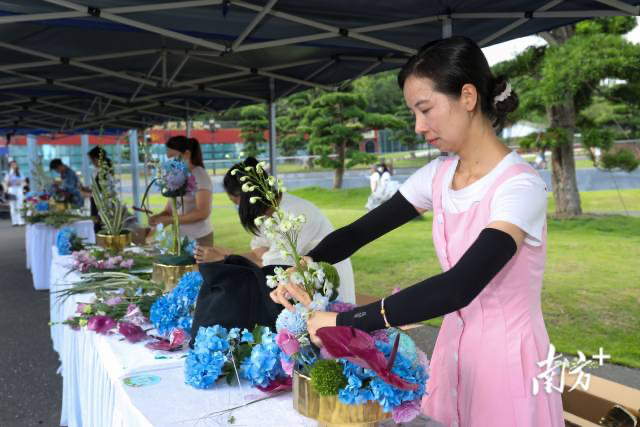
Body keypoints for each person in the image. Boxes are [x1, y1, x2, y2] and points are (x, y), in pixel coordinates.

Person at [270, 37, 563, 427]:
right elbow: (359, 232)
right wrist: (306, 263)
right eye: (413, 113)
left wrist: (346, 323)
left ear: (468, 96)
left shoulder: (519, 186)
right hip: (454, 350)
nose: (418, 126)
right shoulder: (440, 175)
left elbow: (459, 286)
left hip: (509, 359)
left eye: (425, 109)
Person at [195, 157, 356, 304]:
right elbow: (258, 253)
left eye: (235, 202)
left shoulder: (294, 214)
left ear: (244, 197)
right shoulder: (266, 213)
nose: (237, 207)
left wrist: (224, 258)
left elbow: (272, 267)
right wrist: (225, 257)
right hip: (303, 285)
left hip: (327, 290)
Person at [149, 136, 213, 246]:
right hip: (181, 238)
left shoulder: (199, 175)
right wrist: (158, 218)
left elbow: (202, 213)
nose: (170, 161)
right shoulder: (179, 176)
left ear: (186, 154)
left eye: (172, 156)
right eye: (168, 157)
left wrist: (169, 220)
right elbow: (170, 210)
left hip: (199, 238)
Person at [83, 146, 115, 233]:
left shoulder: (104, 171)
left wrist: (86, 193)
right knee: (97, 229)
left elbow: (102, 192)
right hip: (97, 206)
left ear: (97, 159)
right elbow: (96, 188)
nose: (92, 162)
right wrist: (87, 190)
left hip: (102, 207)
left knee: (100, 230)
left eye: (92, 160)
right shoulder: (98, 170)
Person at [4, 160, 25, 226]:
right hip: (11, 189)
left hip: (19, 189)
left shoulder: (20, 172)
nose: (14, 166)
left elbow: (23, 181)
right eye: (12, 164)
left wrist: (19, 182)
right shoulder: (8, 173)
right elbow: (6, 182)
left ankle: (21, 221)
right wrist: (9, 181)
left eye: (15, 164)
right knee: (12, 206)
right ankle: (14, 221)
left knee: (20, 205)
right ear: (10, 166)